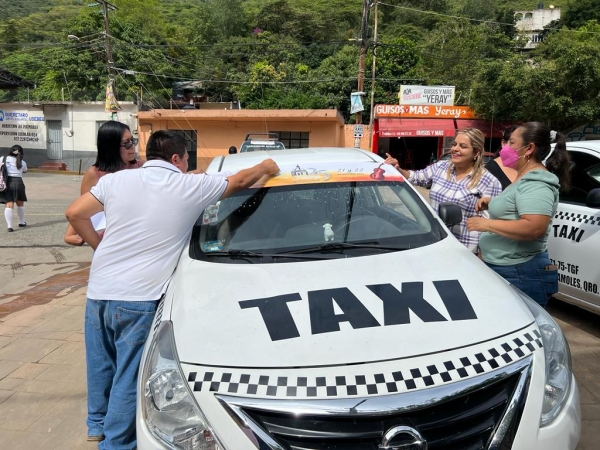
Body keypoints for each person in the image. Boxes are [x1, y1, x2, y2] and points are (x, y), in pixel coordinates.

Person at [65, 129, 279, 450]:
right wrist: (265, 165)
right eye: (186, 160)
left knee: (100, 365)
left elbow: (74, 214)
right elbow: (239, 182)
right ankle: (115, 444)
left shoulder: (117, 180)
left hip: (99, 292)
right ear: (177, 158)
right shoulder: (187, 187)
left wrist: (100, 245)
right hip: (138, 298)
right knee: (128, 376)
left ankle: (96, 425)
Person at [466, 122, 571, 307]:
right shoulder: (523, 177)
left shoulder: (536, 182)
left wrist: (486, 225)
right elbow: (518, 207)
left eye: (511, 143)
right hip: (509, 269)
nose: (505, 148)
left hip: (520, 273)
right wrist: (493, 202)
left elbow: (534, 227)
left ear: (529, 148)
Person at [385, 128, 502, 253]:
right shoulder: (441, 167)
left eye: (462, 146)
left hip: (465, 250)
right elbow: (416, 177)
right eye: (454, 144)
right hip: (435, 242)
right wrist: (398, 169)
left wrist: (481, 256)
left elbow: (490, 226)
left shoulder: (489, 181)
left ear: (476, 152)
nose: (455, 149)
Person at [64, 121, 144, 245]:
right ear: (110, 146)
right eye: (126, 143)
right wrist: (70, 235)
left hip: (139, 238)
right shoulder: (94, 174)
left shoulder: (143, 168)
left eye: (133, 141)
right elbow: (82, 208)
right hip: (108, 241)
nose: (132, 146)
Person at [0, 145, 28, 232]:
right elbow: (25, 170)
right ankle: (21, 222)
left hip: (7, 182)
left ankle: (9, 226)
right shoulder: (22, 162)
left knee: (8, 204)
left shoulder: (2, 159)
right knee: (20, 203)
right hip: (19, 182)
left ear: (11, 151)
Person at [485, 125, 518, 190]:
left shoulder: (528, 168)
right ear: (503, 143)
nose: (518, 147)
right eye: (513, 143)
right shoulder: (489, 169)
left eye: (524, 144)